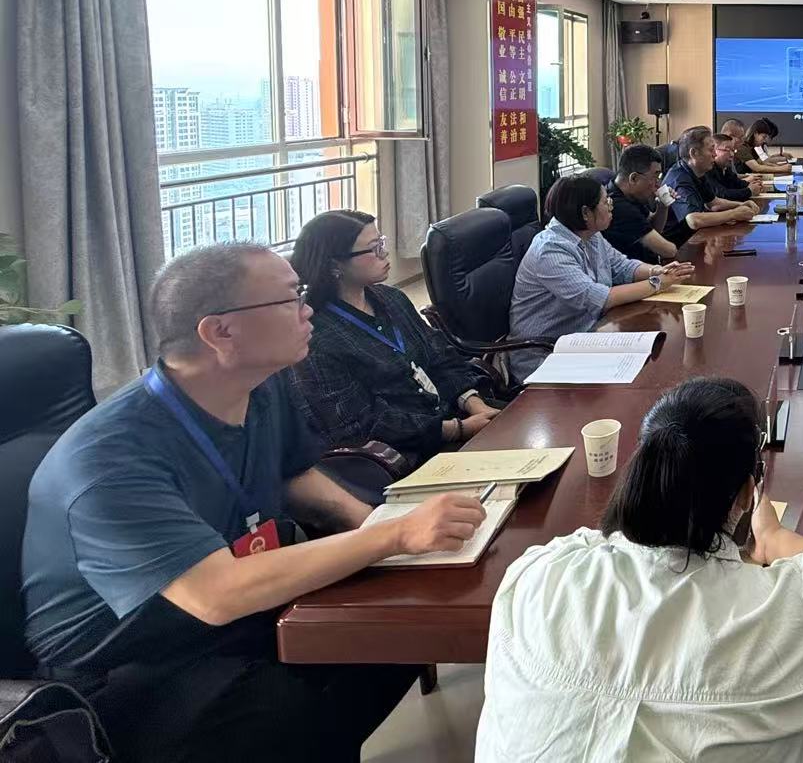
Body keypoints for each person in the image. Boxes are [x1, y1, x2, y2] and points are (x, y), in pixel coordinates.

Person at [20, 243, 486, 763]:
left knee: (396, 631)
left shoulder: (261, 386)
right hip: (129, 668)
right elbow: (213, 594)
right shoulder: (108, 459)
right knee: (286, 707)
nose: (308, 311)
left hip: (234, 612)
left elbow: (296, 477)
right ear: (220, 332)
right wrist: (390, 535)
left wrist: (384, 526)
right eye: (290, 299)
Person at [475, 377, 803, 762]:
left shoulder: (539, 577)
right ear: (747, 494)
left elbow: (593, 541)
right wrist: (777, 540)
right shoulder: (770, 613)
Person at [289, 210, 501, 478]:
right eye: (374, 248)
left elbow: (441, 356)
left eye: (382, 242)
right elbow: (361, 424)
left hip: (457, 416)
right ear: (335, 265)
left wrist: (475, 404)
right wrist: (456, 429)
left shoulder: (391, 298)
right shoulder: (316, 338)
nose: (385, 253)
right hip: (408, 455)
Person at [511, 176, 698, 341]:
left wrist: (657, 271)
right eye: (605, 201)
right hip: (548, 350)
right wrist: (657, 283)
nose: (611, 206)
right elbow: (596, 297)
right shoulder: (550, 250)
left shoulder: (590, 234)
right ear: (585, 213)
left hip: (592, 331)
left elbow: (622, 266)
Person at [603, 143, 693, 264]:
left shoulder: (627, 192)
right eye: (655, 176)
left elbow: (655, 227)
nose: (658, 183)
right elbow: (668, 250)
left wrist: (663, 205)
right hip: (635, 271)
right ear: (634, 178)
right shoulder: (619, 207)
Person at [663, 126, 760, 233]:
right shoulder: (680, 180)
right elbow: (694, 220)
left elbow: (714, 203)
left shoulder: (697, 172)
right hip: (679, 240)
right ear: (694, 153)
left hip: (695, 235)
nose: (715, 154)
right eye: (711, 150)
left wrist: (742, 205)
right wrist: (733, 214)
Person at [713, 129, 768, 199]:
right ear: (713, 151)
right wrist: (749, 191)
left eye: (733, 150)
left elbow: (736, 182)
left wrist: (754, 185)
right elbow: (722, 193)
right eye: (727, 150)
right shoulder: (708, 169)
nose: (732, 154)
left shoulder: (725, 167)